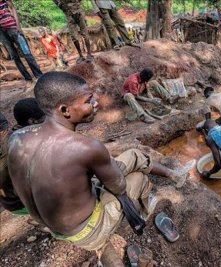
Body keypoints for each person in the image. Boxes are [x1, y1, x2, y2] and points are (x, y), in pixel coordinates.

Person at [7, 71, 192, 252]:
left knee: (133, 155)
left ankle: (170, 174)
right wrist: (108, 168)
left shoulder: (17, 138)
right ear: (64, 110)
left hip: (56, 227)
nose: (95, 103)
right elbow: (119, 186)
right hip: (86, 232)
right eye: (88, 100)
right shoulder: (86, 147)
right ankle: (146, 210)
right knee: (138, 178)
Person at [0, 99, 45, 214]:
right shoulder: (27, 145)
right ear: (32, 121)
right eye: (46, 118)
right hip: (19, 204)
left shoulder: (17, 133)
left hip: (10, 200)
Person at [0, 0, 43, 88]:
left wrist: (18, 26)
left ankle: (39, 76)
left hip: (13, 28)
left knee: (26, 53)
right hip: (2, 33)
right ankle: (28, 79)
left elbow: (12, 8)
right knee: (14, 56)